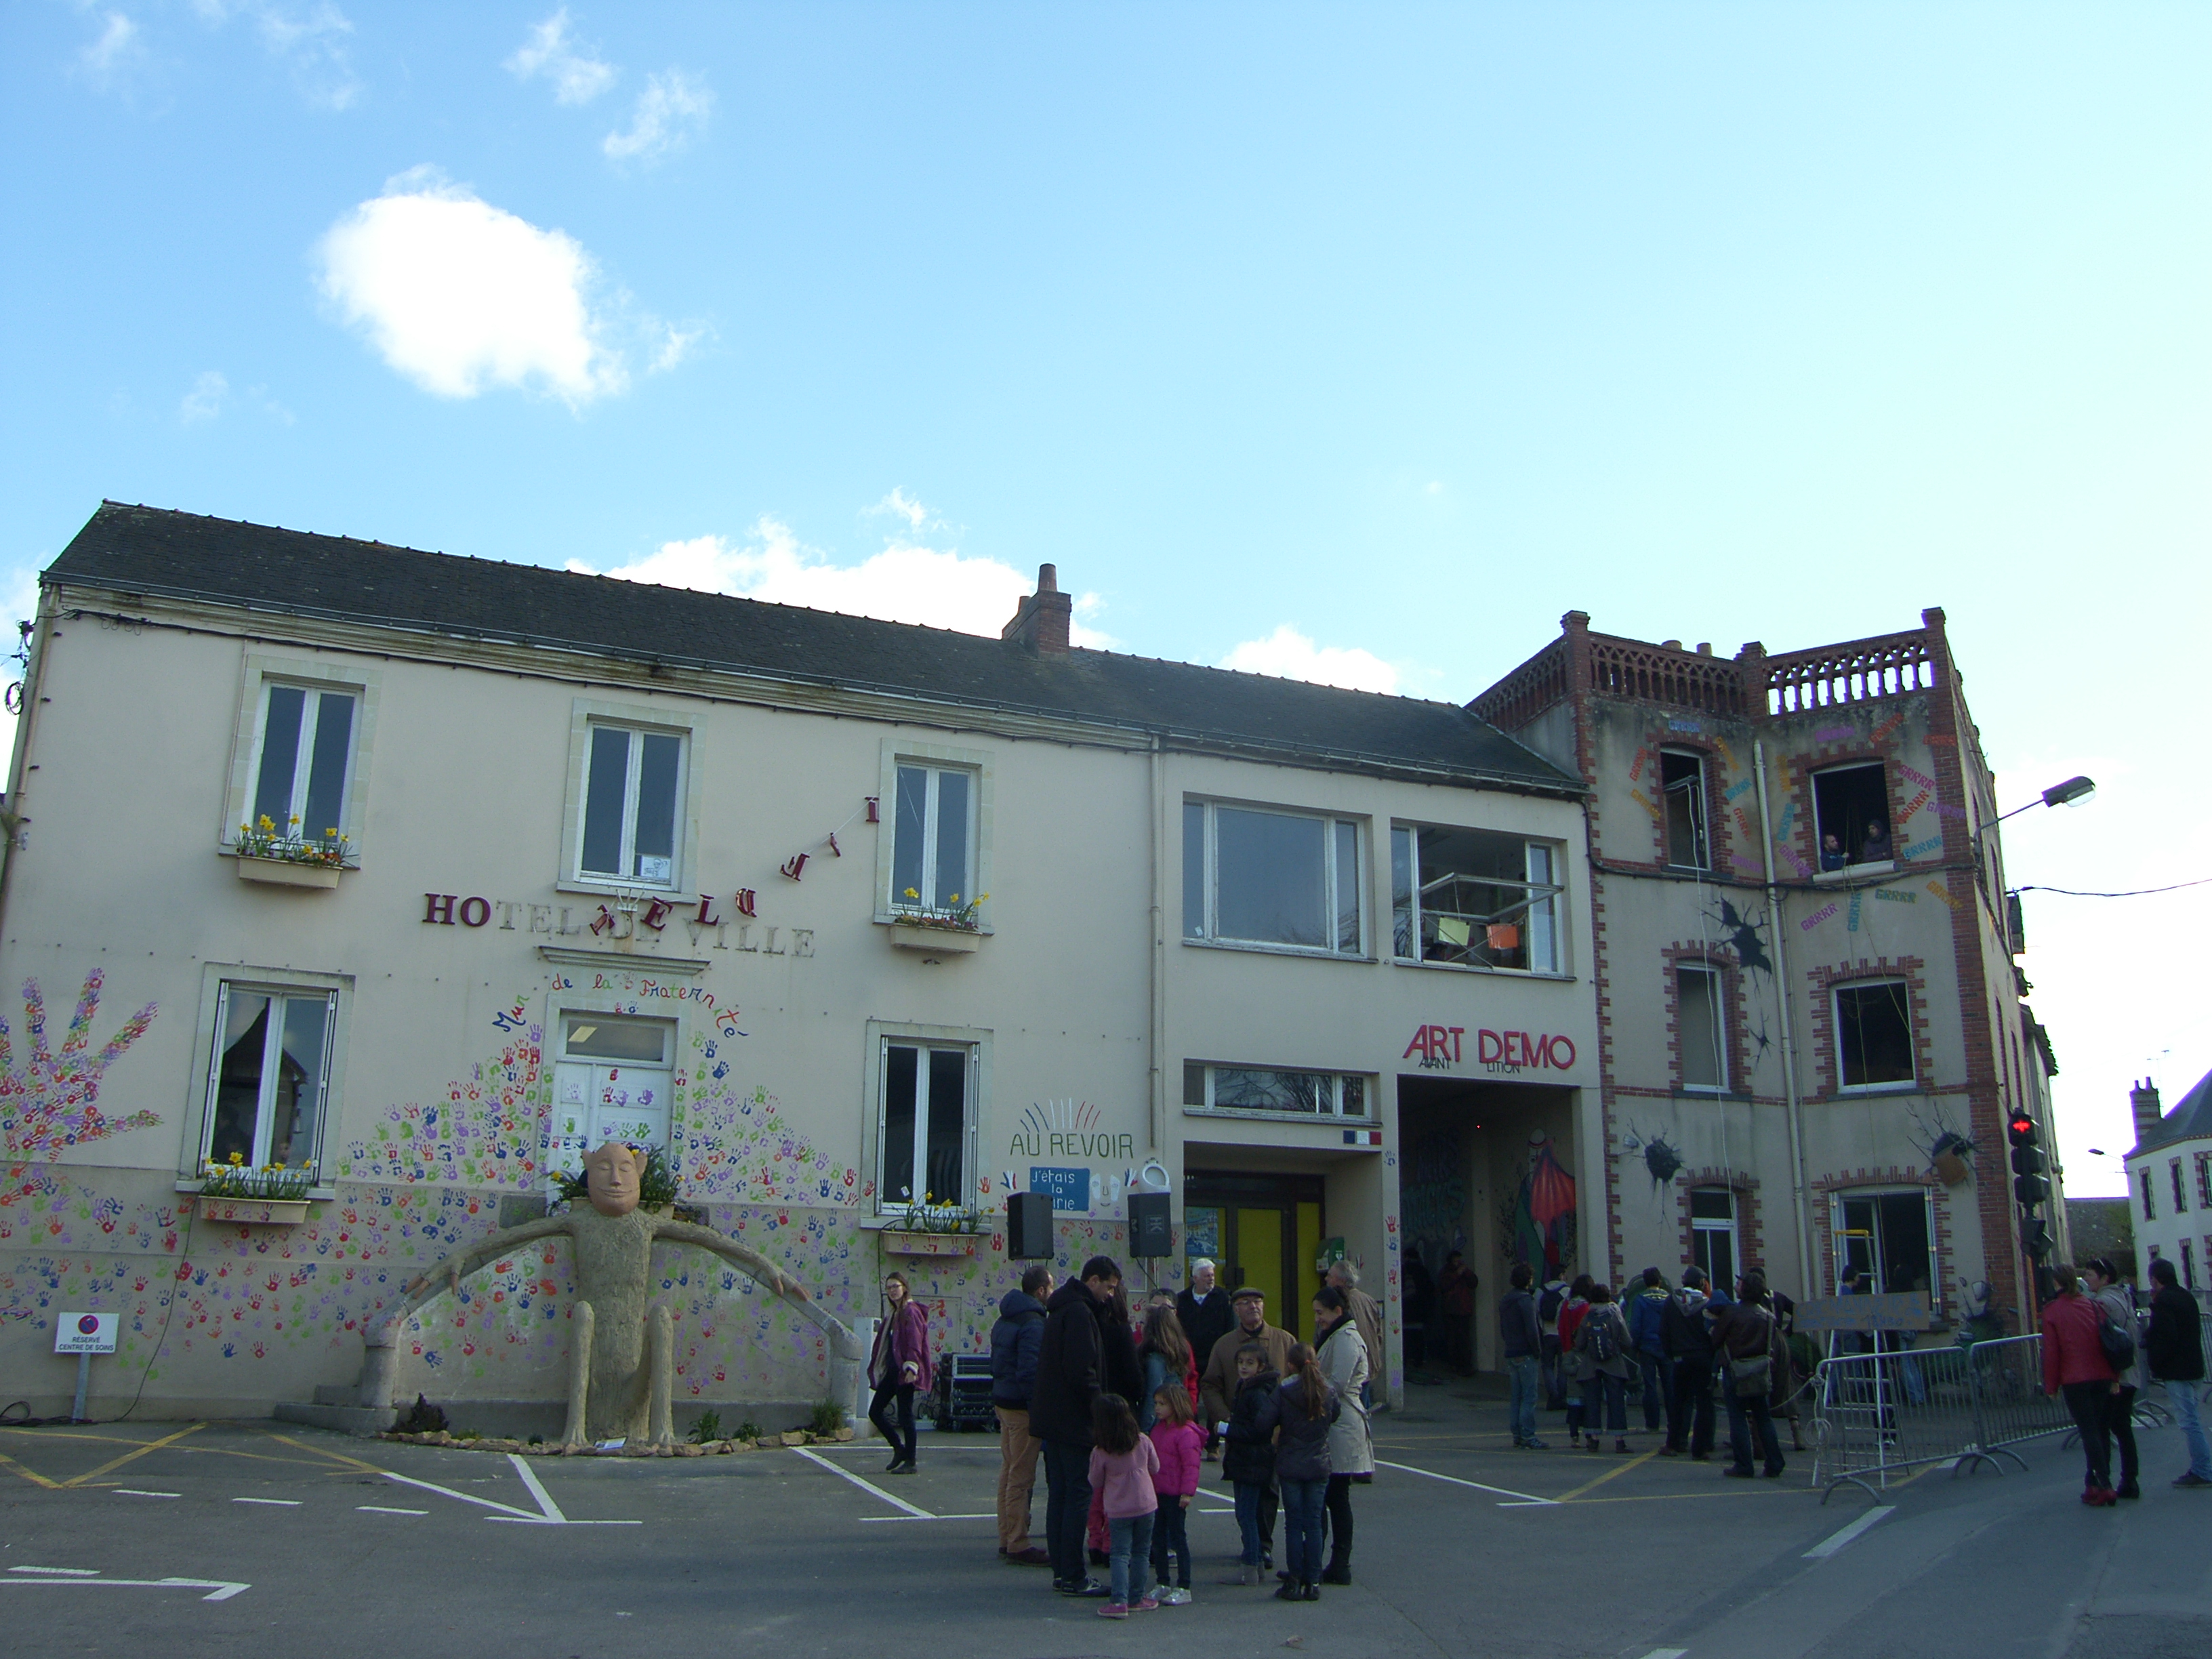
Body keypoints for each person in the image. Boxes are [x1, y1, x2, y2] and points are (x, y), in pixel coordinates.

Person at [1030, 1254, 1124, 1595]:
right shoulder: (1080, 1313)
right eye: (1109, 1287)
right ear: (1093, 1281)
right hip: (1074, 1422)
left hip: (1053, 1421)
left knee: (1060, 1497)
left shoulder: (1060, 1309)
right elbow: (1082, 1371)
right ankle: (1073, 1574)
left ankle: (1062, 1571)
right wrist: (1101, 1409)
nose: (1111, 1295)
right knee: (1077, 1498)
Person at [1198, 1286, 1296, 1565]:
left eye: (1257, 1302)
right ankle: (1250, 1544)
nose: (1253, 1307)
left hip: (1276, 1435)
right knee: (1244, 1495)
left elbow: (1298, 1380)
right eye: (1245, 1302)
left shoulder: (1283, 1340)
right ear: (1235, 1309)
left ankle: (1262, 1546)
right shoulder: (1225, 1345)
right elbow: (1210, 1384)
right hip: (1241, 1437)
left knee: (1269, 1492)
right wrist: (1225, 1417)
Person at [2040, 1262, 2121, 1506]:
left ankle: (2104, 1484)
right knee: (2100, 1430)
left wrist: (2051, 1386)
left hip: (2075, 1378)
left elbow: (2052, 1353)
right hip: (2101, 1375)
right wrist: (2114, 1377)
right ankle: (2093, 1482)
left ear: (2056, 1283)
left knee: (2088, 1432)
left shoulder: (2052, 1311)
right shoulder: (2093, 1306)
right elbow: (2108, 1340)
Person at [989, 1263, 1053, 1564]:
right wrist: (1038, 1406)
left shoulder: (1006, 1316)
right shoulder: (1034, 1322)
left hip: (1003, 1400)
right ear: (1040, 1291)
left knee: (1009, 1471)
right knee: (1021, 1476)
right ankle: (1018, 1541)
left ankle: (1007, 1536)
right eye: (1050, 1287)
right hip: (1021, 1406)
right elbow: (1030, 1371)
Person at [1267, 1341, 1339, 1603]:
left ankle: (1295, 1580)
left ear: (1290, 1365)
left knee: (1294, 1524)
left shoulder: (1285, 1390)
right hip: (1318, 1463)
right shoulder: (1327, 1390)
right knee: (1314, 1523)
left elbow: (1266, 1420)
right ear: (1316, 1363)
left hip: (1291, 1464)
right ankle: (1314, 1580)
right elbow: (1335, 1415)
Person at [1311, 1286, 1372, 1584]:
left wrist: (1308, 1389)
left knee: (1335, 1495)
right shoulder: (1335, 1335)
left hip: (1342, 1423)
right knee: (1330, 1496)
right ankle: (1323, 1561)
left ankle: (1339, 1562)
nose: (1317, 1319)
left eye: (1320, 1313)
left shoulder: (1347, 1338)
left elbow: (1337, 1383)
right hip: (1333, 1422)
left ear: (1337, 1311)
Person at [1086, 1394, 1160, 1618]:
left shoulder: (1101, 1451)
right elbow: (1155, 1468)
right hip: (1146, 1504)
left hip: (1119, 1508)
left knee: (1120, 1554)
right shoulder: (1143, 1441)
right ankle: (1137, 1597)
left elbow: (1095, 1482)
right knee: (1141, 1552)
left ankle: (1119, 1601)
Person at [2143, 1256, 2212, 1488]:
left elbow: (2165, 1336)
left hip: (2177, 1369)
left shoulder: (2163, 1302)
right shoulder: (2186, 1297)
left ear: (2155, 1279)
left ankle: (2203, 1469)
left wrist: (2155, 1359)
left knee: (2189, 1421)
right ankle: (2202, 1468)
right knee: (2192, 1418)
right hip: (2193, 1366)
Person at [1712, 1271, 1787, 1479]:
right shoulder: (1768, 1316)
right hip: (1760, 1370)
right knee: (1763, 1417)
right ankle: (1775, 1462)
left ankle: (1744, 1464)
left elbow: (1715, 1341)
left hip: (1735, 1370)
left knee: (1737, 1418)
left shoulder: (1732, 1314)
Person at [1217, 1343, 1280, 1588]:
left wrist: (1228, 1430)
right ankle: (1254, 1566)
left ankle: (1251, 1565)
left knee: (1247, 1514)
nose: (1244, 1367)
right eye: (1241, 1363)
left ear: (1261, 1366)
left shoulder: (1257, 1392)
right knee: (1246, 1513)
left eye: (1250, 1363)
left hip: (1253, 1461)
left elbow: (1259, 1429)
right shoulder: (1245, 1387)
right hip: (1246, 1460)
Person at [2083, 1259, 2142, 1499]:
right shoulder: (2124, 1298)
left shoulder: (2101, 1303)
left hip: (2113, 1376)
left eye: (2090, 1274)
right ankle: (2130, 1480)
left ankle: (2103, 1480)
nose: (2086, 1279)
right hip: (2131, 1373)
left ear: (2104, 1278)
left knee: (2103, 1429)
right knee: (2123, 1429)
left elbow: (2098, 1341)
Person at [867, 1272, 931, 1475]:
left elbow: (915, 1341)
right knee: (875, 1411)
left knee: (905, 1416)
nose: (893, 1290)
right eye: (889, 1288)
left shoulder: (910, 1312)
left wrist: (912, 1367)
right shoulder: (895, 1313)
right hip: (893, 1371)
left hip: (905, 1372)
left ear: (905, 1287)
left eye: (896, 1286)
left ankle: (910, 1461)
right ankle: (899, 1450)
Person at [1147, 1380, 1204, 1604]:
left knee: (1178, 1539)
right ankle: (1162, 1582)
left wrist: (1187, 1492)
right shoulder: (1158, 1429)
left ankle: (1184, 1585)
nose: (1157, 1408)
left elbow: (1191, 1466)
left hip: (1175, 1494)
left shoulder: (1185, 1433)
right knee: (1158, 1539)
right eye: (1156, 1403)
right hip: (1158, 1492)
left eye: (1162, 1404)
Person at [1661, 1266, 1717, 1460]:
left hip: (1680, 1358)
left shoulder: (1671, 1301)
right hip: (1702, 1358)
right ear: (1701, 1282)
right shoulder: (1707, 1303)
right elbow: (1712, 1333)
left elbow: (1664, 1332)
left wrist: (1670, 1353)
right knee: (1704, 1403)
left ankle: (1675, 1443)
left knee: (1679, 1402)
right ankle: (1703, 1445)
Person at [1572, 1282, 1632, 1453]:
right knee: (1616, 1402)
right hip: (1614, 1364)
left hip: (1591, 1365)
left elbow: (1580, 1343)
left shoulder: (1588, 1315)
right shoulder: (1615, 1313)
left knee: (1592, 1402)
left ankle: (1594, 1440)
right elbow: (1627, 1341)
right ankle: (1619, 1441)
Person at [1498, 1262, 1547, 1448]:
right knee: (1529, 1396)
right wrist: (1537, 1350)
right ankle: (1528, 1435)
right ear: (1529, 1280)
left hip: (1511, 1350)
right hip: (1525, 1352)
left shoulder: (1505, 1300)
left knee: (1516, 1395)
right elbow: (1532, 1329)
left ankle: (1517, 1434)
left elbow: (1503, 1328)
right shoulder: (1526, 1300)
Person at [1326, 1260, 1385, 1403]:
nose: (1326, 1279)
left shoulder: (1340, 1303)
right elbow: (1379, 1333)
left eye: (1330, 1276)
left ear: (1342, 1280)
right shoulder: (1368, 1300)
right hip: (1368, 1365)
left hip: (1352, 1368)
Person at [1138, 1303, 1198, 1431]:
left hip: (1158, 1425)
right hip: (1176, 1420)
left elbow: (1152, 1397)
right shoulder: (1180, 1352)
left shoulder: (1155, 1358)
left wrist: (1143, 1431)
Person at [1626, 1267, 1671, 1435]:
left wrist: (1635, 1346)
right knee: (1670, 1387)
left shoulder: (1640, 1300)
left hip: (1647, 1347)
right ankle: (1673, 1422)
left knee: (1650, 1386)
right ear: (1660, 1281)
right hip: (1666, 1348)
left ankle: (1652, 1424)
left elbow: (1636, 1327)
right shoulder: (1669, 1299)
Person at [1177, 1258, 1235, 1379]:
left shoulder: (1223, 1297)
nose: (1211, 1279)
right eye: (1207, 1276)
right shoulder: (1183, 1299)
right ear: (1196, 1278)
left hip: (1215, 1356)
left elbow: (1230, 1326)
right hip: (1190, 1357)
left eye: (1212, 1275)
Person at [1556, 1274, 1593, 1446]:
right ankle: (1588, 1433)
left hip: (1567, 1350)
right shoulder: (1585, 1307)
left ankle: (1574, 1434)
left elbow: (1560, 1326)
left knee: (1572, 1397)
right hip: (1583, 1355)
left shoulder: (1566, 1305)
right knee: (1586, 1397)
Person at [1438, 1251, 1479, 1373]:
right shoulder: (1446, 1272)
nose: (1458, 1263)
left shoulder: (1465, 1273)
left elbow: (1474, 1283)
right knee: (1452, 1339)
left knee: (1464, 1339)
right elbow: (1444, 1287)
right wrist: (1457, 1274)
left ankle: (1465, 1365)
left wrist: (1466, 1272)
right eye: (1456, 1261)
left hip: (1463, 1310)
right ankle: (1453, 1364)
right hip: (1451, 1310)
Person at [1538, 1275, 1571, 1408]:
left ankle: (1553, 1395)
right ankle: (1562, 1396)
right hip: (1561, 1334)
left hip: (1547, 1334)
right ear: (1563, 1275)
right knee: (1563, 1367)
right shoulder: (1567, 1291)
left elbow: (1537, 1312)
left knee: (1547, 1366)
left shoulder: (1540, 1291)